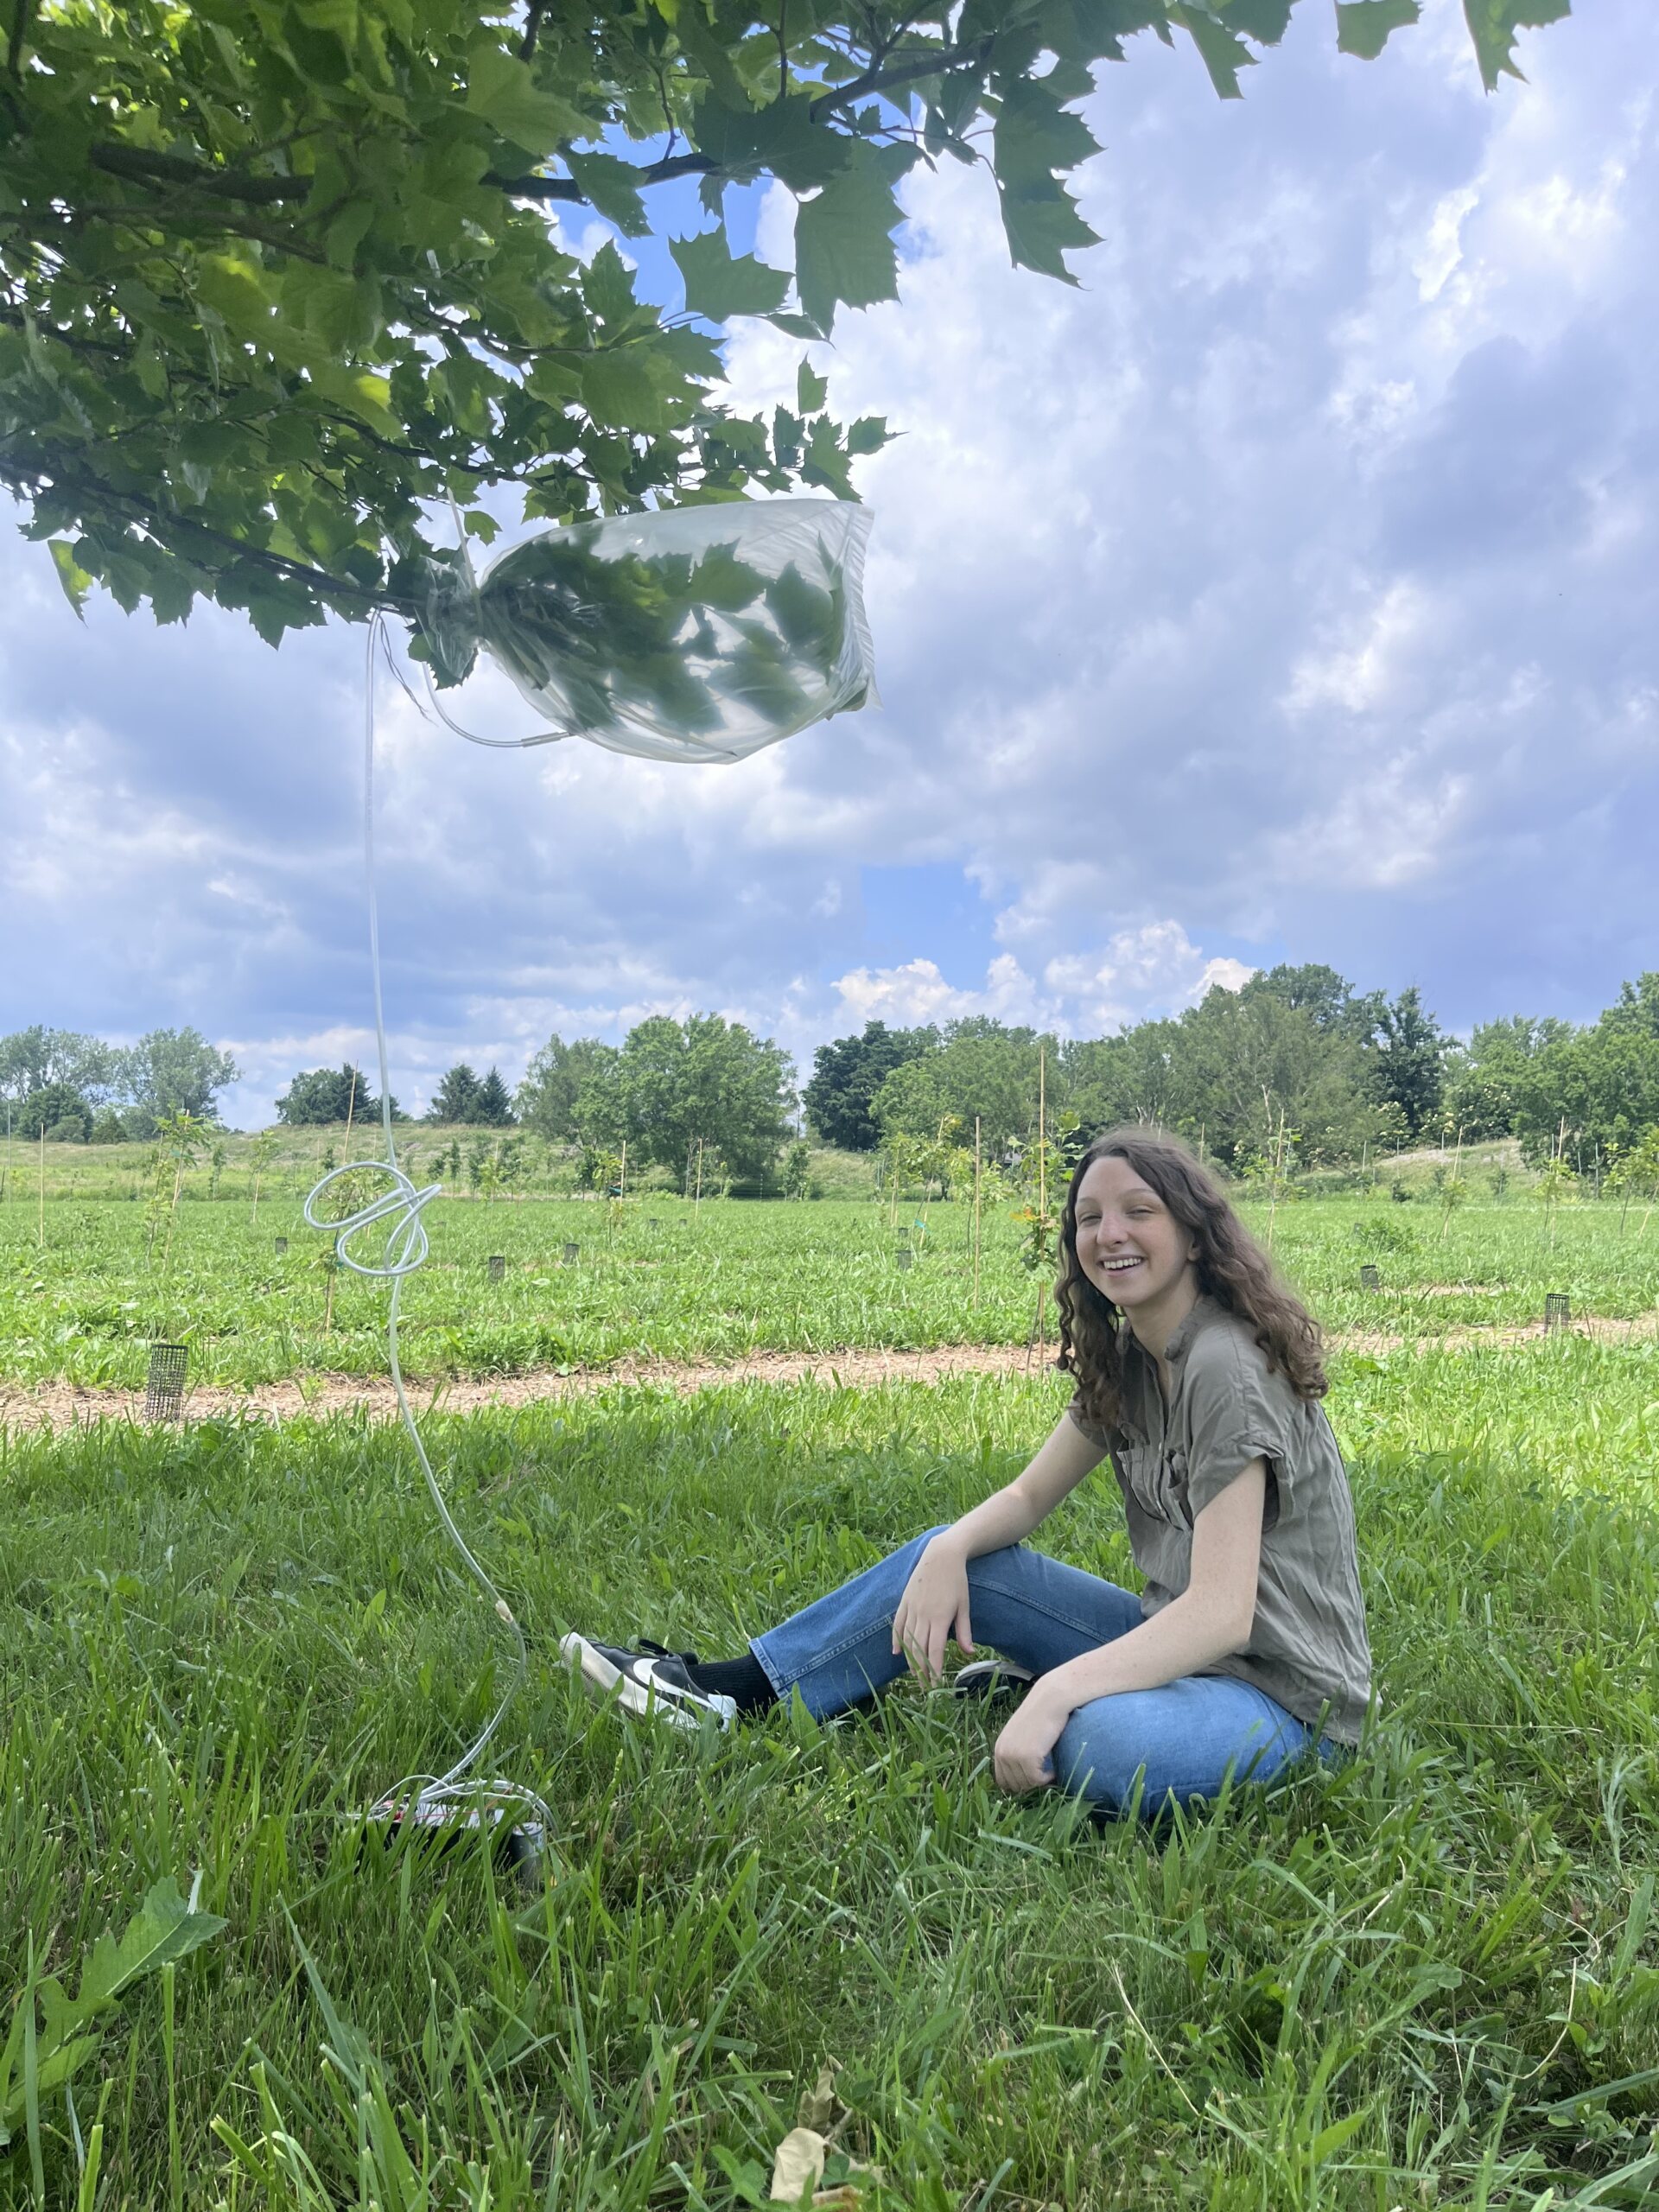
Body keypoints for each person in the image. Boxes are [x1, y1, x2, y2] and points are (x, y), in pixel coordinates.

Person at [562, 1127, 1371, 1820]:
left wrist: (1057, 1694)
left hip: (1282, 1698)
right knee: (952, 1556)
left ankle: (1051, 1687)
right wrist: (947, 1552)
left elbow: (1224, 1615)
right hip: (1175, 1650)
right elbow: (1025, 1497)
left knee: (1095, 1743)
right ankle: (732, 1695)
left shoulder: (1225, 1364)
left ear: (1194, 1234)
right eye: (1089, 1218)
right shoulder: (1131, 1359)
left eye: (1139, 1212)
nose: (1109, 1233)